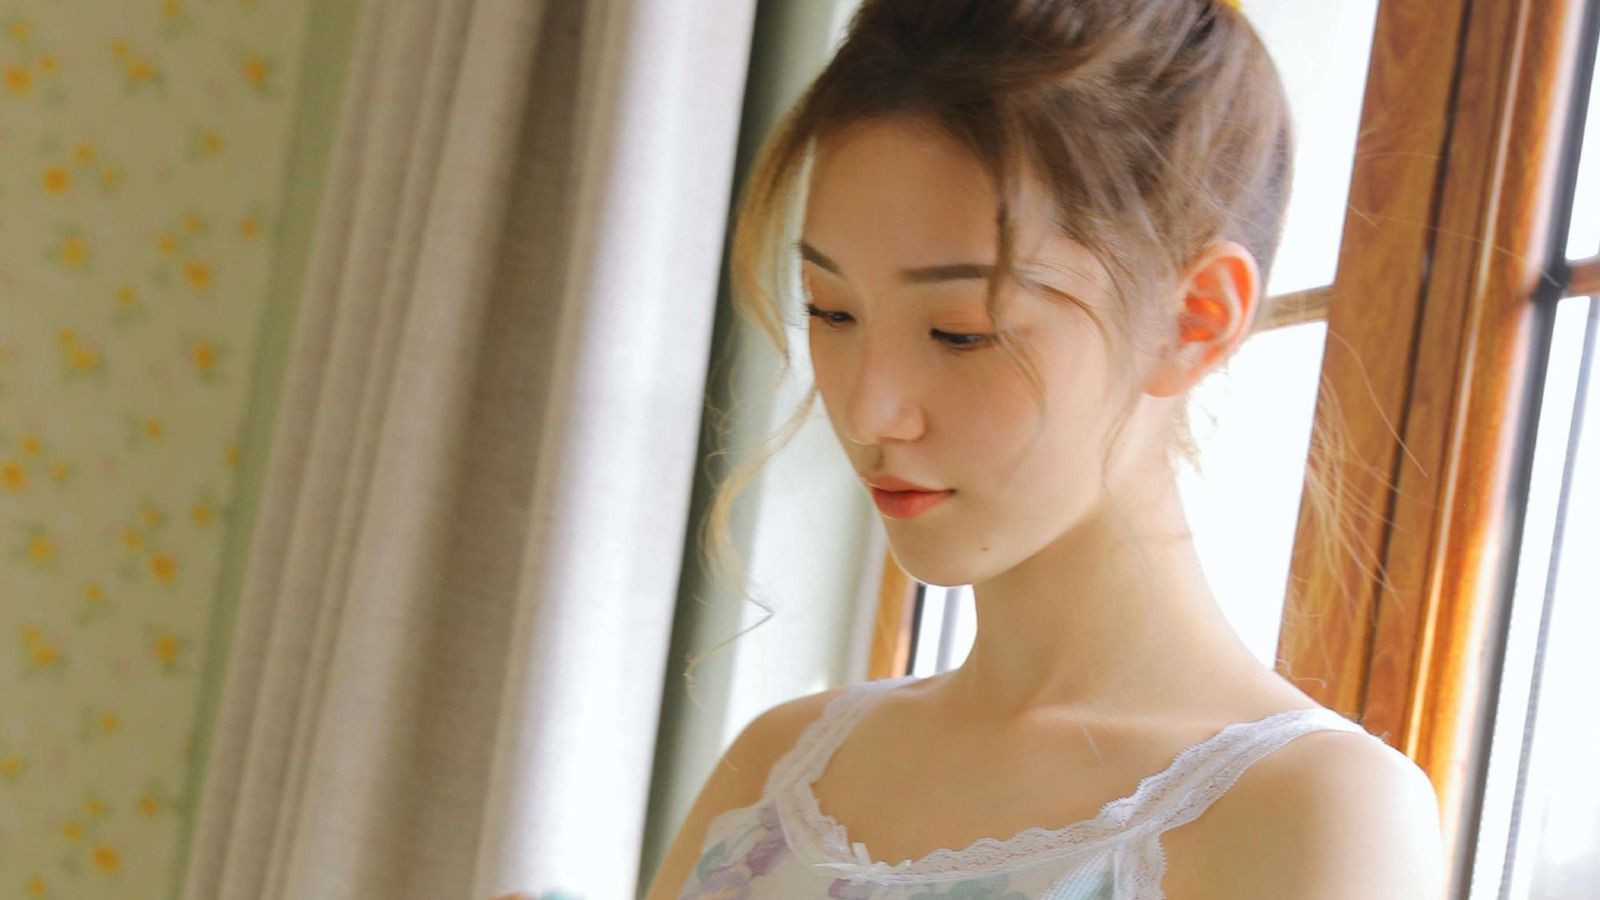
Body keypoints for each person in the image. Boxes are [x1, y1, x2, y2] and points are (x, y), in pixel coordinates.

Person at [643, 0, 1446, 896]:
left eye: (961, 331)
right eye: (831, 311)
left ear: (1194, 318)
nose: (869, 413)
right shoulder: (778, 768)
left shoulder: (1312, 812)